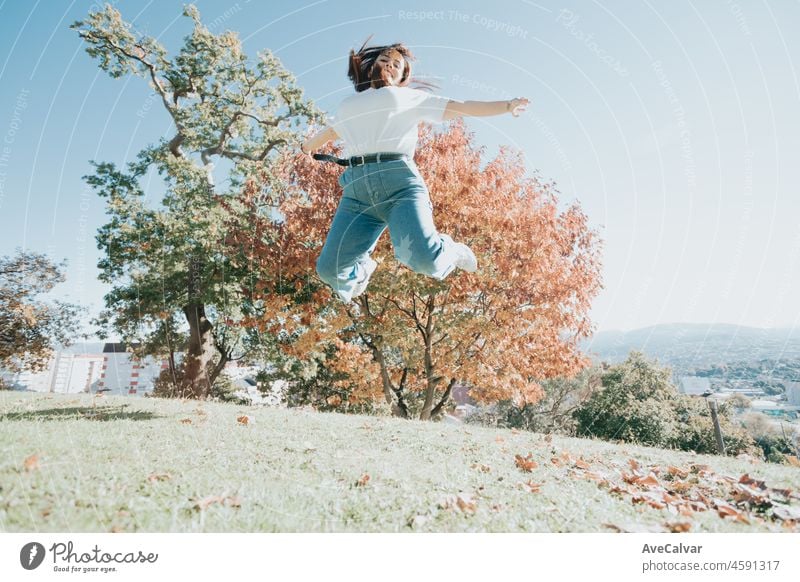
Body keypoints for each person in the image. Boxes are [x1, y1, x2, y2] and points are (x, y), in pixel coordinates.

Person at [301, 37, 529, 303]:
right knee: (329, 269)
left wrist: (507, 105)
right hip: (357, 193)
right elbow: (330, 131)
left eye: (397, 64)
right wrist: (307, 146)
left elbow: (462, 107)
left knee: (424, 261)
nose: (389, 64)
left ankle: (451, 251)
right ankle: (362, 272)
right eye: (384, 59)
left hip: (399, 185)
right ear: (371, 65)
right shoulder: (348, 105)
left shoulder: (409, 98)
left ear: (402, 77)